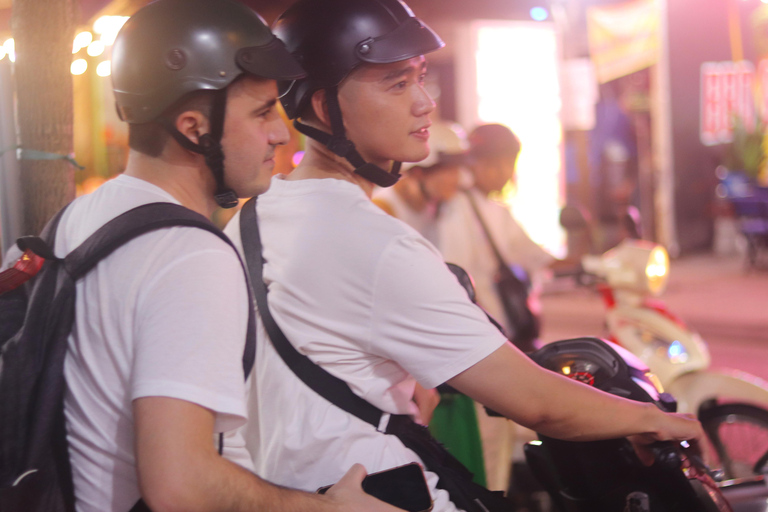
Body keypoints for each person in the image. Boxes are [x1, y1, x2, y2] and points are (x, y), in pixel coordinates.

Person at [226, 1, 706, 511]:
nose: (424, 103)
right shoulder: (377, 243)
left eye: (420, 78)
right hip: (381, 489)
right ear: (324, 108)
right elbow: (536, 401)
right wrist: (655, 419)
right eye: (396, 84)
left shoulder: (251, 219)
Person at [0, 1, 404, 510]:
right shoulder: (188, 255)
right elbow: (181, 484)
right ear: (195, 128)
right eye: (261, 113)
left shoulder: (78, 217)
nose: (281, 133)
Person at [373, 121, 467, 247]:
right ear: (418, 172)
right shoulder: (382, 209)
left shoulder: (433, 205)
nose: (457, 179)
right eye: (449, 171)